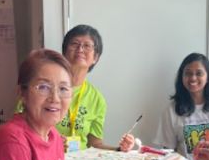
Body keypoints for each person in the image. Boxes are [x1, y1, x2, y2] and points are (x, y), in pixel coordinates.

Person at [22, 24, 137, 152]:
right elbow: (20, 128)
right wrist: (51, 141)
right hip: (44, 156)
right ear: (64, 52)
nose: (80, 49)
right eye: (75, 44)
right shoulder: (43, 86)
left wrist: (120, 150)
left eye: (87, 46)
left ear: (95, 58)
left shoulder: (96, 99)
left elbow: (95, 144)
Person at [151, 53, 209, 156]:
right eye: (188, 73)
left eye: (199, 73)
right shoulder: (171, 110)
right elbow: (168, 152)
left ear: (208, 77)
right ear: (182, 77)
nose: (193, 78)